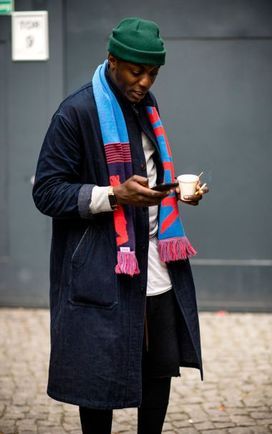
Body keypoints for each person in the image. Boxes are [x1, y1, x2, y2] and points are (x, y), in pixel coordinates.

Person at [33, 17, 208, 434]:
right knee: (96, 379)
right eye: (136, 71)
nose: (146, 81)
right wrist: (113, 195)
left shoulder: (147, 106)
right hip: (103, 270)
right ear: (112, 60)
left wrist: (175, 192)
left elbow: (147, 176)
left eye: (153, 73)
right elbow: (47, 192)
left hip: (157, 267)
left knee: (160, 372)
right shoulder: (75, 113)